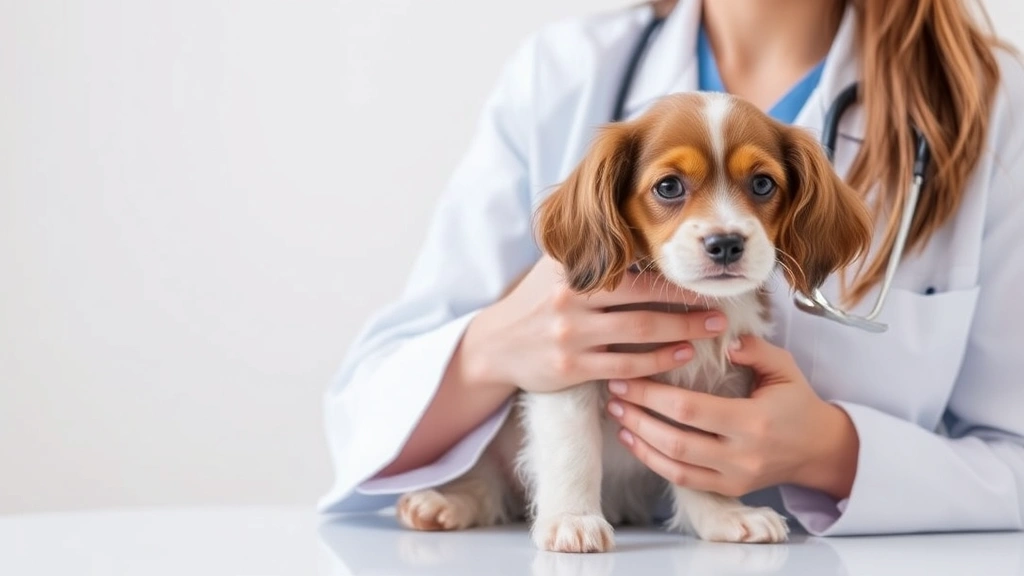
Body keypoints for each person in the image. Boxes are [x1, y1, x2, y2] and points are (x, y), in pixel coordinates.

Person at [318, 0, 1024, 536]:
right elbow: (362, 410)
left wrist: (836, 455)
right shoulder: (565, 72)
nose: (720, 225)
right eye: (669, 187)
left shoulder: (995, 105)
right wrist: (494, 349)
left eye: (761, 186)